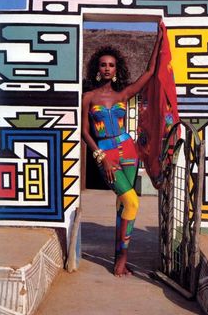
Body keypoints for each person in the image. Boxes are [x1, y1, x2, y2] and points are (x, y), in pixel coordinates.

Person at [81, 24, 162, 277]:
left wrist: (159, 38)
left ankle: (120, 258)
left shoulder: (123, 95)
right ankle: (122, 259)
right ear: (97, 68)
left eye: (111, 65)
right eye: (103, 64)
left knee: (123, 207)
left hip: (128, 150)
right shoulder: (89, 97)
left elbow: (149, 72)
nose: (107, 68)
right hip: (105, 153)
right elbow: (85, 132)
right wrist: (100, 156)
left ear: (117, 70)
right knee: (132, 201)